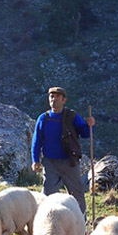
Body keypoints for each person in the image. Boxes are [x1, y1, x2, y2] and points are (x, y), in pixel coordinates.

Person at [31, 86, 95, 214]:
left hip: (70, 162)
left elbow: (85, 133)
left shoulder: (72, 116)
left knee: (77, 195)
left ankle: (81, 222)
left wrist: (89, 125)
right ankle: (46, 221)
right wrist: (35, 160)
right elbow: (36, 141)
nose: (53, 99)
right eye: (51, 96)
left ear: (64, 100)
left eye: (57, 97)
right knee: (47, 196)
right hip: (50, 163)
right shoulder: (43, 118)